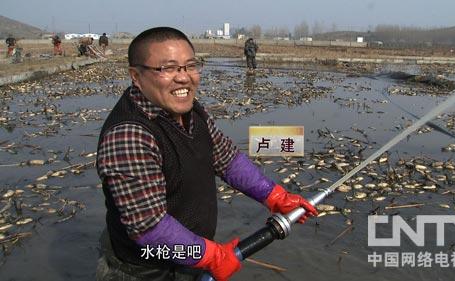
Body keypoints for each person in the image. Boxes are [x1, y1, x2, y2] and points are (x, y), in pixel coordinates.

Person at [96, 27, 317, 281]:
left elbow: (227, 159)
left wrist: (275, 196)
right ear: (136, 76)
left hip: (191, 255)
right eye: (168, 68)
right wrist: (212, 256)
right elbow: (150, 228)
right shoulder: (129, 136)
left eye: (190, 66)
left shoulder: (191, 110)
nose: (184, 78)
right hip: (147, 269)